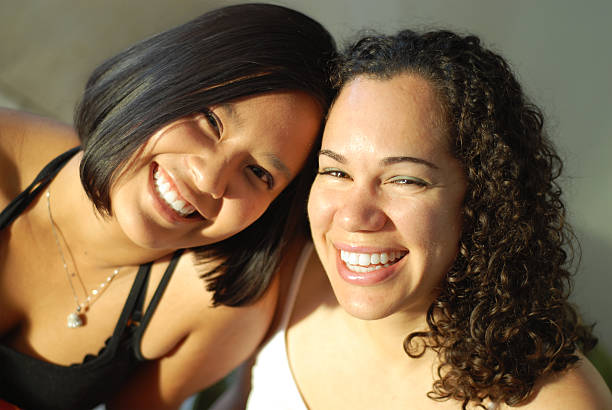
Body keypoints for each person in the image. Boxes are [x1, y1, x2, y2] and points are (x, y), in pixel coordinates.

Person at [244, 29, 612, 409]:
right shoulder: (281, 280)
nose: (354, 216)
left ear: (483, 198)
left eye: (405, 179)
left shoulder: (556, 402)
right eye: (337, 172)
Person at [0, 4, 336, 409]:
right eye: (211, 121)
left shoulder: (213, 306)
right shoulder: (6, 154)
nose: (209, 180)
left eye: (259, 173)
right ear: (162, 80)